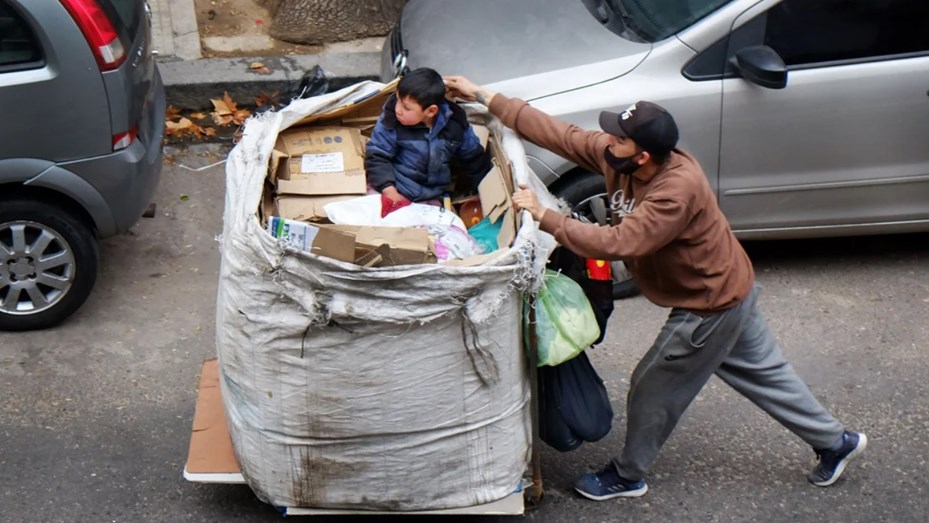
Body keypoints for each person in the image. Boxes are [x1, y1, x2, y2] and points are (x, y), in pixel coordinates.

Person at [444, 75, 867, 501]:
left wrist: (545, 216)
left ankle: (628, 475)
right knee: (767, 376)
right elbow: (563, 135)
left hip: (708, 304)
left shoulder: (675, 190)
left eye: (619, 138)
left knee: (652, 388)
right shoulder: (621, 157)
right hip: (731, 288)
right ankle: (837, 442)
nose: (607, 140)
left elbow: (620, 243)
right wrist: (483, 95)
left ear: (643, 155)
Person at [365, 67, 491, 217]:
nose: (398, 109)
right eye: (398, 99)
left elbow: (474, 160)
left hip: (431, 197)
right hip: (395, 188)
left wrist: (484, 193)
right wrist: (388, 189)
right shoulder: (391, 119)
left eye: (406, 107)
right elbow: (377, 155)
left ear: (430, 111)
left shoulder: (456, 124)